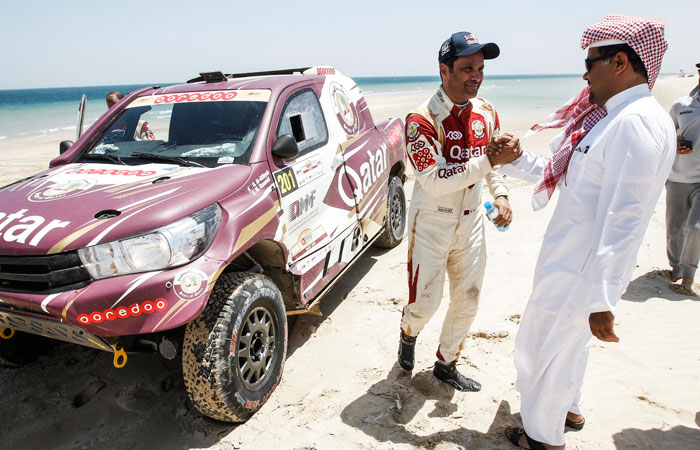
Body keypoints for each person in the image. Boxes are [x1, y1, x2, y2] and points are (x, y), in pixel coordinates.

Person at [494, 15, 675, 449]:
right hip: (573, 263)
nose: (584, 72)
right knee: (567, 348)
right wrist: (514, 160)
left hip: (581, 270)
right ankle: (569, 411)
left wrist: (603, 298)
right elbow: (573, 180)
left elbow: (625, 219)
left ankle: (542, 438)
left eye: (590, 61)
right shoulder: (613, 117)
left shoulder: (636, 123)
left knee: (544, 350)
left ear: (619, 63)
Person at [397, 31, 521, 392]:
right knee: (425, 304)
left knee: (468, 300)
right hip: (431, 222)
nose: (476, 76)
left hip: (472, 226)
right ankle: (408, 332)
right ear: (444, 70)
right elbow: (434, 180)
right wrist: (487, 162)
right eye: (467, 68)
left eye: (480, 69)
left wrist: (501, 196)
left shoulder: (486, 112)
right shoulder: (420, 119)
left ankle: (446, 364)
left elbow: (494, 167)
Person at [664, 62, 700, 297]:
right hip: (677, 177)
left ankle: (688, 274)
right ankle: (676, 268)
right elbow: (665, 137)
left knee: (695, 227)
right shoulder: (681, 105)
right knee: (674, 228)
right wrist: (675, 145)